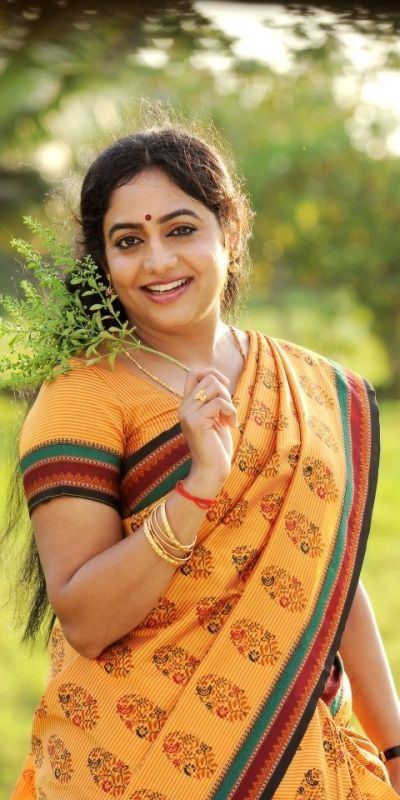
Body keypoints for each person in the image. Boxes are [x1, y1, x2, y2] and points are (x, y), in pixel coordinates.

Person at [11, 125, 400, 800]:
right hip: (134, 766)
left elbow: (329, 576)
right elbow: (86, 618)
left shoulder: (312, 386)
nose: (158, 260)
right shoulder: (81, 397)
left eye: (181, 229)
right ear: (104, 262)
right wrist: (197, 489)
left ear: (230, 230)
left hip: (299, 755)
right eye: (129, 240)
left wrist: (393, 746)